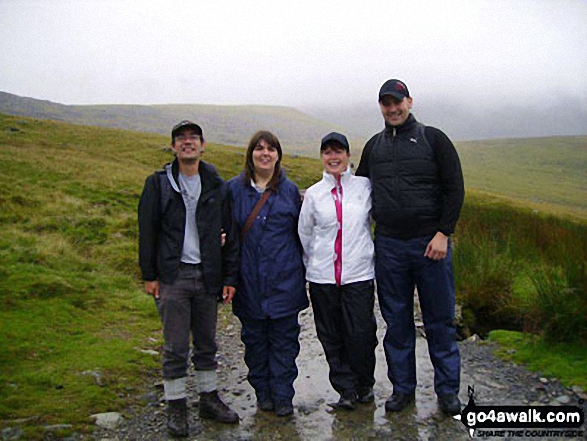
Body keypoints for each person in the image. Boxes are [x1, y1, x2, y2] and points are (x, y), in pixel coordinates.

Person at [356, 79, 465, 415]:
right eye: (386, 103)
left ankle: (447, 392)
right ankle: (403, 389)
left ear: (409, 101)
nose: (393, 108)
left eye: (398, 102)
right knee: (397, 321)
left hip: (430, 245)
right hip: (389, 245)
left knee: (439, 321)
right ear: (381, 107)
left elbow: (455, 188)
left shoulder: (434, 139)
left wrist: (443, 233)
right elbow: (358, 191)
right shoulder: (374, 147)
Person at [138, 120, 240, 437]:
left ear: (202, 145)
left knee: (208, 343)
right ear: (173, 147)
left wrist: (228, 277)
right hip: (173, 276)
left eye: (193, 138)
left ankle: (208, 399)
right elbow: (147, 231)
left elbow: (229, 234)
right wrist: (150, 275)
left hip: (207, 276)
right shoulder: (158, 184)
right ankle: (176, 405)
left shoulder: (216, 186)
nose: (187, 142)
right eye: (181, 139)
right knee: (176, 346)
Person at [227, 131, 308, 417]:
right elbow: (225, 234)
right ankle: (264, 394)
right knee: (255, 343)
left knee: (285, 343)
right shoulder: (233, 191)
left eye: (271, 149)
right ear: (250, 154)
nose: (265, 153)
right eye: (259, 148)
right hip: (249, 283)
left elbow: (305, 236)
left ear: (278, 155)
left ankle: (283, 396)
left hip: (285, 283)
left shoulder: (290, 191)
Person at [298, 132, 378, 411]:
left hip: (359, 274)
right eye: (328, 152)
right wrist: (316, 263)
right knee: (331, 335)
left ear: (348, 155)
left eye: (339, 151)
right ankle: (345, 388)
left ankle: (364, 383)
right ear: (322, 156)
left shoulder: (364, 187)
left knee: (361, 333)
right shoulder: (314, 194)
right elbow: (305, 234)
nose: (333, 157)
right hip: (323, 277)